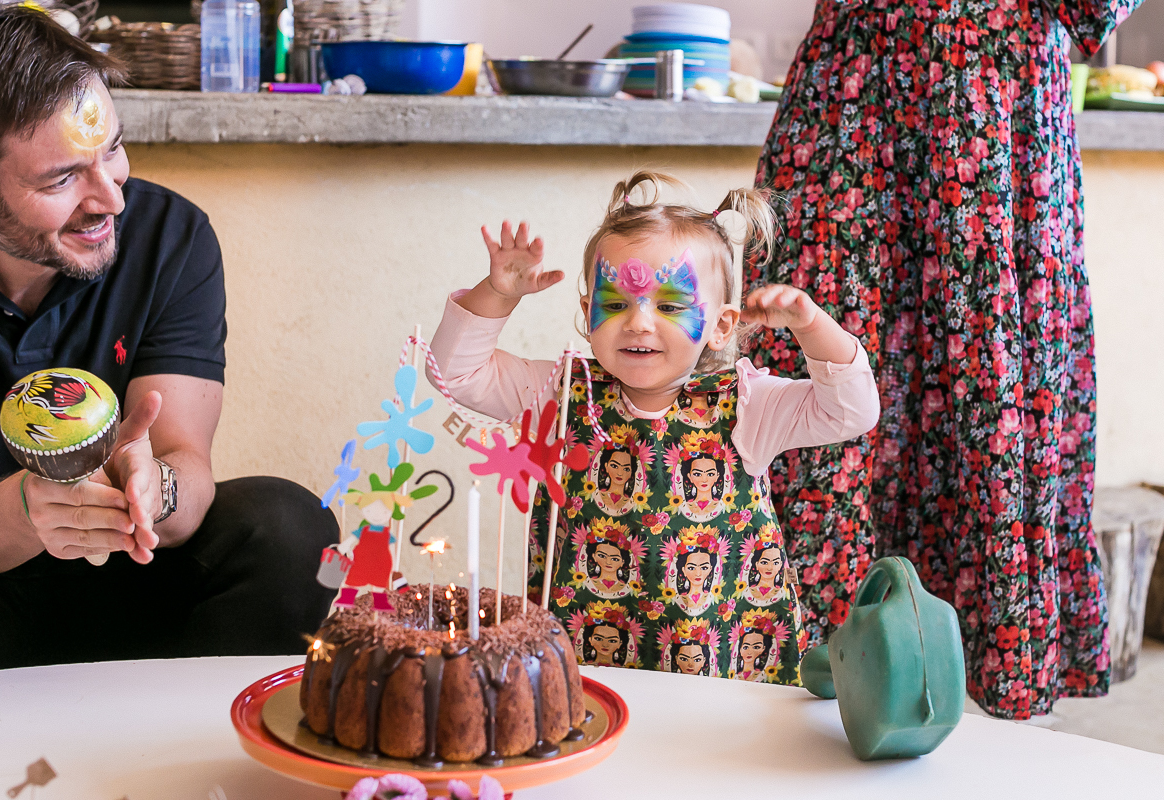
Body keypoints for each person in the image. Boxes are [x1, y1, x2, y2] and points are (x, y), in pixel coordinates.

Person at [743, 0, 1141, 716]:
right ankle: (806, 663)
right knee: (809, 345)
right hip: (853, 86)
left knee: (984, 366)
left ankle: (956, 702)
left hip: (993, 96)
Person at [0, 7, 337, 672]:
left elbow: (185, 465)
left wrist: (152, 488)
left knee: (286, 524)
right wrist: (25, 508)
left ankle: (189, 749)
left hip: (128, 576)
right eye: (62, 178)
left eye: (111, 149)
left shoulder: (171, 237)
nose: (110, 196)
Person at [429, 170, 880, 681]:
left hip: (716, 675)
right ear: (587, 311)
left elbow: (853, 410)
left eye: (670, 305)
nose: (639, 321)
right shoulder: (558, 392)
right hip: (590, 668)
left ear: (722, 326)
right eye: (616, 303)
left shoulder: (748, 406)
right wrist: (497, 293)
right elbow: (453, 373)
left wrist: (812, 324)